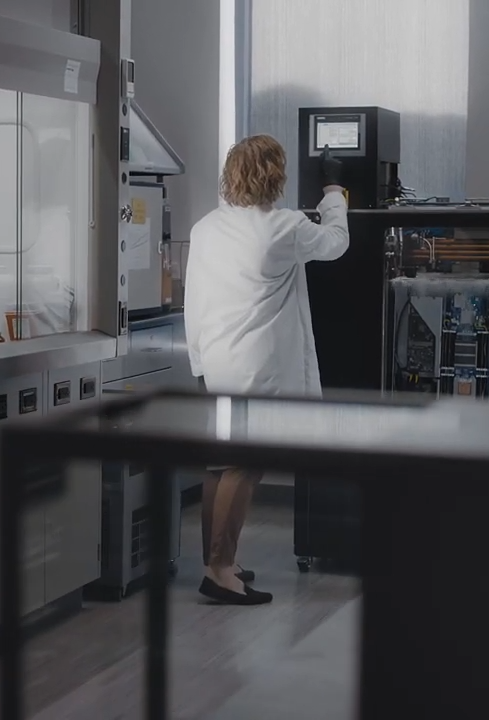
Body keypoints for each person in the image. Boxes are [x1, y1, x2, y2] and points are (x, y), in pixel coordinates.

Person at [185, 134, 348, 606]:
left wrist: (198, 361)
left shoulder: (206, 228)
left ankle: (219, 561)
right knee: (246, 463)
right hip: (257, 365)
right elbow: (336, 244)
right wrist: (334, 193)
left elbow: (193, 297)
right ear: (274, 175)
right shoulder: (282, 227)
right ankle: (220, 569)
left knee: (220, 462)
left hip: (214, 359)